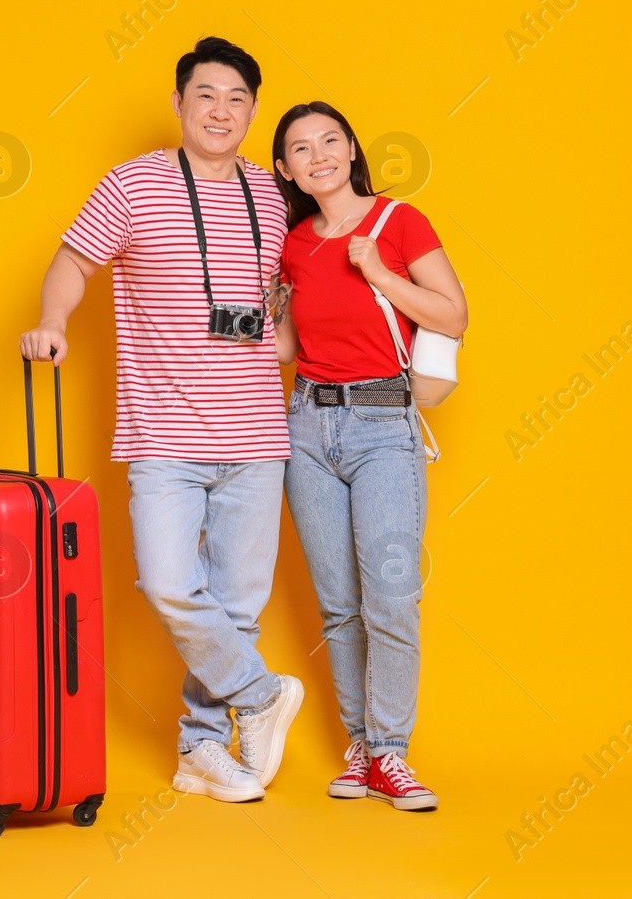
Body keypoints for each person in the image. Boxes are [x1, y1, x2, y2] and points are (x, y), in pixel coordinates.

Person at [20, 37, 304, 803]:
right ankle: (259, 694)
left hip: (256, 432)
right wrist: (53, 321)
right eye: (206, 95)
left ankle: (200, 752)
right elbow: (74, 262)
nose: (221, 110)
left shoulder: (273, 193)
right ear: (179, 102)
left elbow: (292, 291)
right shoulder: (132, 184)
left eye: (237, 98)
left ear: (252, 110)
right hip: (164, 433)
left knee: (237, 604)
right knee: (170, 582)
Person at [271, 101, 467, 811]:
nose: (318, 154)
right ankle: (360, 747)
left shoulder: (398, 222)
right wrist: (255, 316)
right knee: (339, 606)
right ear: (286, 168)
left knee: (390, 596)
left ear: (351, 148)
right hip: (307, 430)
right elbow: (291, 350)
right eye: (300, 147)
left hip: (385, 424)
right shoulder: (293, 244)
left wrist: (379, 274)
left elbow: (452, 315)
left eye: (329, 139)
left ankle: (391, 752)